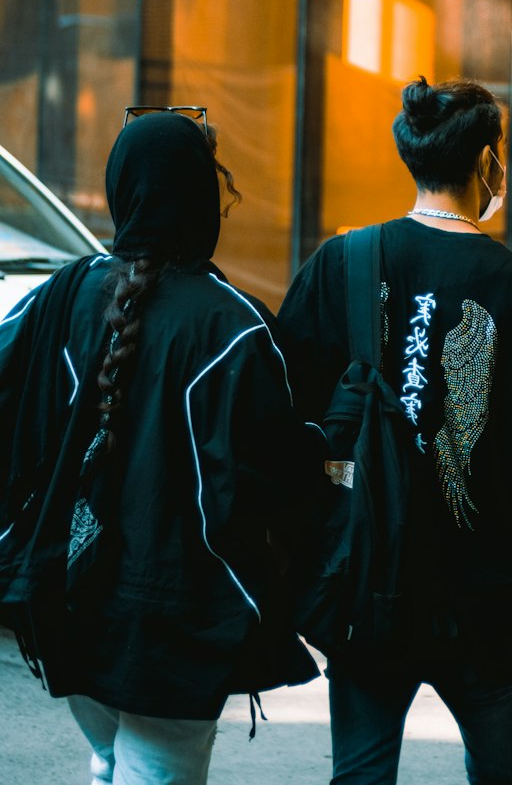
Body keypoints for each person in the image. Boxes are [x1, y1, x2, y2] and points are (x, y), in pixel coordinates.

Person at [279, 75, 512, 785]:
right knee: (501, 777)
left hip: (369, 591)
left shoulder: (341, 264)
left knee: (360, 777)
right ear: (487, 161)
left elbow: (281, 430)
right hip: (484, 600)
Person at [0, 109, 321, 785]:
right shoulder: (233, 326)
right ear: (201, 198)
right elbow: (280, 482)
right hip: (177, 619)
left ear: (123, 189)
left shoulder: (59, 295)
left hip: (62, 596)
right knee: (150, 769)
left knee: (110, 759)